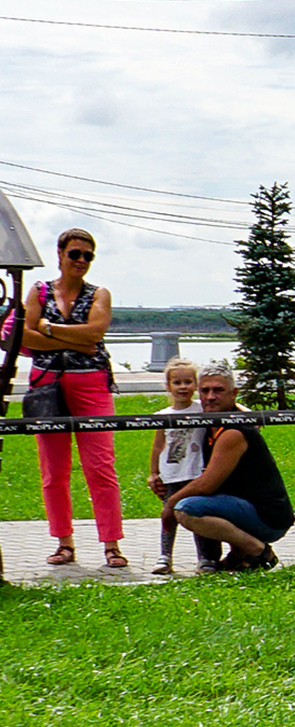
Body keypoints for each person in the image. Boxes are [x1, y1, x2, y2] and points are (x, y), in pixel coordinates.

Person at [22, 228, 127, 568]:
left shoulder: (99, 294)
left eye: (88, 256)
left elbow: (96, 333)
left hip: (91, 384)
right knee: (53, 470)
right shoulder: (38, 291)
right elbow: (24, 334)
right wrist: (73, 341)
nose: (81, 261)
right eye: (75, 254)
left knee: (100, 466)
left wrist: (49, 329)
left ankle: (111, 544)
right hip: (47, 385)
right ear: (60, 254)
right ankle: (63, 542)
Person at [166, 361, 295, 571]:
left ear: (233, 393)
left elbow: (207, 484)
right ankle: (237, 555)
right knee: (200, 501)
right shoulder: (210, 422)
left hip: (268, 517)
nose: (210, 397)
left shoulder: (233, 431)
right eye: (205, 391)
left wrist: (170, 504)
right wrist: (157, 475)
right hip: (243, 506)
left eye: (218, 390)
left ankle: (258, 551)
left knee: (186, 509)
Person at [146, 357, 221, 575]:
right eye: (177, 383)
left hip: (197, 472)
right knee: (169, 514)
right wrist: (153, 473)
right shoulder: (163, 416)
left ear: (196, 385)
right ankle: (165, 556)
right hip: (171, 474)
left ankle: (205, 558)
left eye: (188, 382)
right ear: (168, 386)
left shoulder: (202, 409)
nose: (183, 387)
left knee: (198, 515)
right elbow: (158, 446)